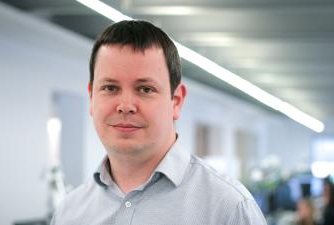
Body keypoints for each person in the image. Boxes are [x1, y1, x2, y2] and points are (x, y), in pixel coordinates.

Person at [51, 20, 266, 225]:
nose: (125, 105)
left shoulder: (228, 208)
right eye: (110, 88)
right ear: (91, 97)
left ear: (177, 101)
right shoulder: (69, 212)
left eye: (145, 89)